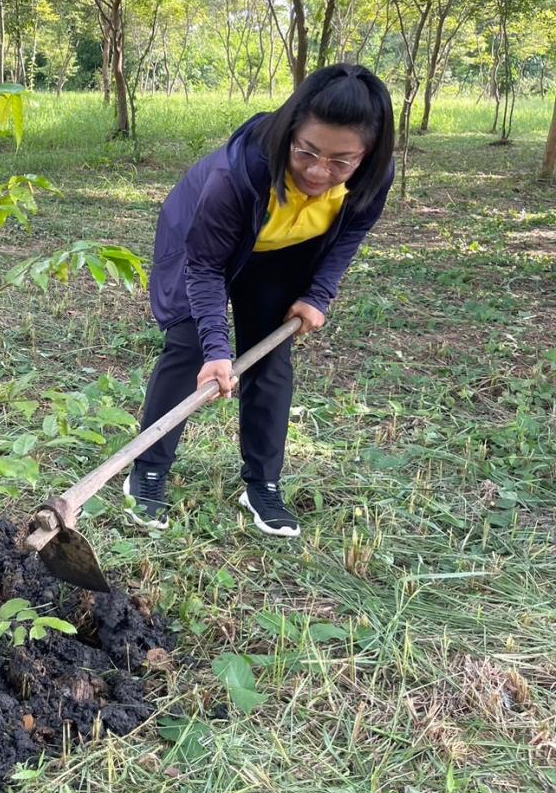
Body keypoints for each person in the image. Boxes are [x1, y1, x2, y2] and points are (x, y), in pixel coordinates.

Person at [123, 63, 395, 538]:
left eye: (339, 161)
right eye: (306, 152)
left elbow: (352, 233)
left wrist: (319, 292)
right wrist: (215, 350)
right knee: (188, 346)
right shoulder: (239, 172)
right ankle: (148, 469)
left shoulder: (373, 175)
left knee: (271, 355)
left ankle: (262, 484)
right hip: (201, 239)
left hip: (281, 249)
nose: (317, 170)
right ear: (290, 131)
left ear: (366, 154)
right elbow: (204, 267)